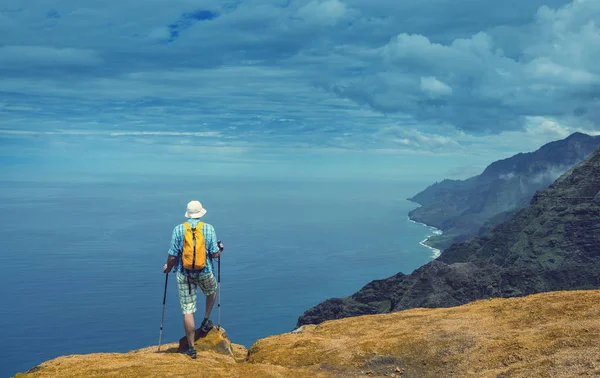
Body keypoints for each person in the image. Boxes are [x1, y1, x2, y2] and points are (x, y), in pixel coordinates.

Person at [163, 200, 224, 359]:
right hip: (205, 271)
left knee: (187, 309)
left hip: (184, 274)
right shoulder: (209, 229)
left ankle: (191, 348)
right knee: (211, 291)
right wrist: (220, 249)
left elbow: (172, 256)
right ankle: (205, 321)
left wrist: (168, 268)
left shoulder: (178, 230)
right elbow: (215, 254)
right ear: (200, 213)